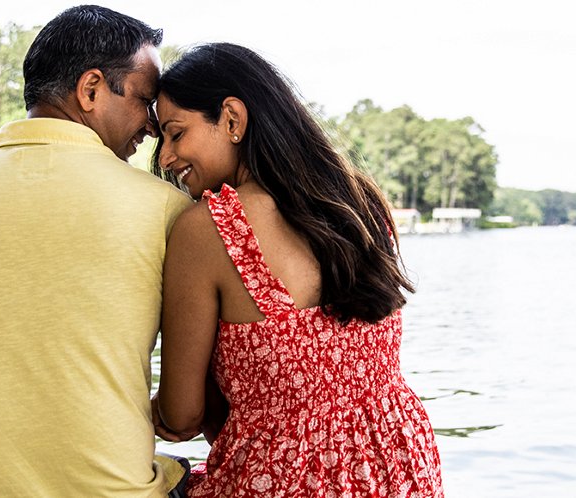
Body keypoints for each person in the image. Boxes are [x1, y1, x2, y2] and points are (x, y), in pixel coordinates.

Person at [0, 5, 192, 496]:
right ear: (90, 89)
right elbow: (186, 412)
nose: (152, 127)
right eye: (146, 101)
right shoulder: (169, 209)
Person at [151, 43, 445, 497]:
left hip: (283, 482)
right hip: (401, 467)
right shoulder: (361, 204)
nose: (166, 157)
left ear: (232, 119)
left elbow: (182, 415)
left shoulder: (209, 228)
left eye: (175, 133)